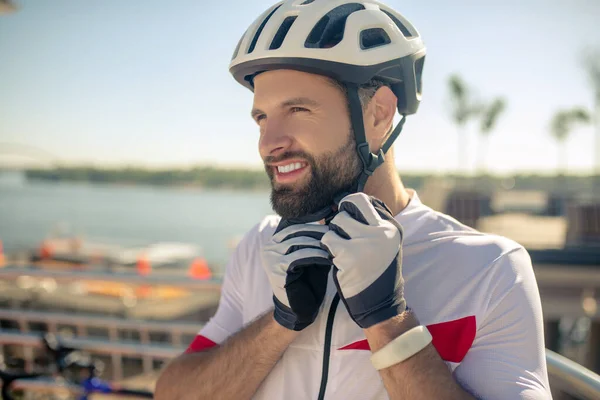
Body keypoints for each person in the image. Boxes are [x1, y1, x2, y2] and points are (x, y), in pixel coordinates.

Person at [155, 1, 551, 399]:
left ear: (378, 114)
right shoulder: (260, 246)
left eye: (297, 109)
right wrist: (279, 322)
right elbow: (173, 394)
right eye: (261, 117)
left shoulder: (489, 268)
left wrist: (388, 322)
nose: (268, 143)